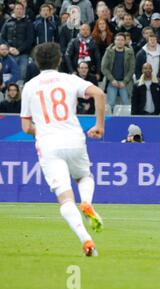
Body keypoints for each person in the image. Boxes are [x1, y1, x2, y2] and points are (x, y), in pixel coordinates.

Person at [20, 42, 105, 256]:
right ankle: (86, 202)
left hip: (48, 144)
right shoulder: (70, 80)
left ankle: (87, 241)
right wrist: (99, 125)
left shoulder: (30, 86)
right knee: (84, 177)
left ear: (36, 62)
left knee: (65, 198)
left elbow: (26, 127)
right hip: (74, 138)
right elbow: (99, 94)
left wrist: (42, 130)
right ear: (59, 60)